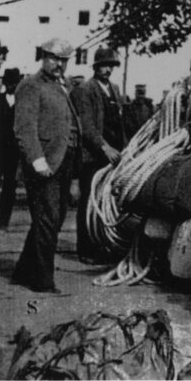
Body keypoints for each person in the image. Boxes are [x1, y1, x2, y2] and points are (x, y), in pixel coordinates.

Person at [12, 37, 81, 294]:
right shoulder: (30, 85)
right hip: (43, 163)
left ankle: (22, 271)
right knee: (48, 219)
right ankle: (41, 280)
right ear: (43, 57)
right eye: (54, 58)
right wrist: (37, 160)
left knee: (51, 218)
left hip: (63, 161)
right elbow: (24, 127)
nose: (59, 64)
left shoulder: (61, 86)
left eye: (63, 60)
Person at [70, 46, 126, 263]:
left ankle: (102, 245)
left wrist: (124, 149)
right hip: (93, 156)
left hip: (113, 156)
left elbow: (120, 123)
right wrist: (104, 147)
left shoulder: (114, 89)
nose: (108, 69)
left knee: (106, 202)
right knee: (89, 201)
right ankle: (86, 249)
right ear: (96, 67)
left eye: (111, 66)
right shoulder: (85, 90)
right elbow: (86, 126)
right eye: (104, 65)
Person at [0, 67, 22, 228]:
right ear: (5, 83)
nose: (12, 86)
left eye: (15, 83)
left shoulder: (22, 102)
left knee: (10, 184)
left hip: (14, 150)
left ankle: (3, 220)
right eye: (10, 83)